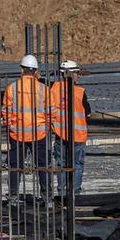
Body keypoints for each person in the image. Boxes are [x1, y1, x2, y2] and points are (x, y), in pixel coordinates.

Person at [2, 55, 50, 199]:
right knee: (43, 166)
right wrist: (45, 126)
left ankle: (13, 195)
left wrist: (10, 125)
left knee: (16, 166)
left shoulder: (12, 88)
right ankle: (46, 195)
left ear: (21, 70)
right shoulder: (44, 89)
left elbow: (6, 111)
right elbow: (51, 111)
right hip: (38, 133)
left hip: (17, 134)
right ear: (36, 71)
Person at [50, 60, 91, 196]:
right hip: (78, 136)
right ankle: (75, 193)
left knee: (61, 165)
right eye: (76, 73)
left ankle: (62, 193)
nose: (78, 76)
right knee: (77, 165)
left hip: (60, 135)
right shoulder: (80, 92)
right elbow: (88, 113)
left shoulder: (54, 89)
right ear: (69, 74)